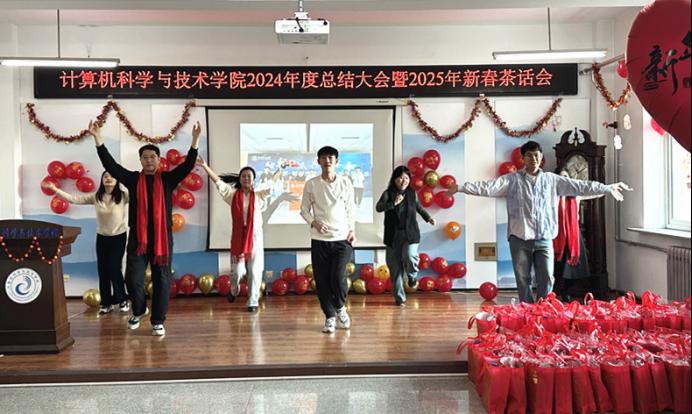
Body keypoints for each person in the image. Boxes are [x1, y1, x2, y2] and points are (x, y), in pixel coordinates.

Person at [446, 140, 631, 303]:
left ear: (541, 157)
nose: (533, 159)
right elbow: (487, 187)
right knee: (523, 280)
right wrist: (461, 187)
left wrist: (606, 188)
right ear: (522, 159)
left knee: (547, 278)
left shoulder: (552, 180)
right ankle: (527, 310)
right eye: (528, 155)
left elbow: (580, 186)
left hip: (544, 239)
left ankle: (542, 311)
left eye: (536, 155)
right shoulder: (512, 180)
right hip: (519, 239)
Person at [89, 120, 201, 336]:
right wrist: (98, 139)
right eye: (145, 157)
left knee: (162, 280)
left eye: (152, 157)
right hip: (138, 239)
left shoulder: (168, 179)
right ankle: (139, 310)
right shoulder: (133, 179)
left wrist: (195, 140)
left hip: (162, 239)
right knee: (132, 278)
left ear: (158, 160)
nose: (149, 160)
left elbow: (187, 166)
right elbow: (111, 166)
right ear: (140, 160)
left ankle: (158, 320)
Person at [43, 171, 130, 315]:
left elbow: (141, 196)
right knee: (103, 270)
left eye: (112, 176)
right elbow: (74, 199)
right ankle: (106, 303)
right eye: (105, 176)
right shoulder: (96, 197)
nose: (108, 178)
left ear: (117, 180)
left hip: (118, 237)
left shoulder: (124, 196)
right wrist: (55, 189)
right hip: (102, 237)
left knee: (114, 268)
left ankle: (122, 299)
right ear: (102, 180)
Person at [197, 157, 273, 312]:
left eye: (249, 176)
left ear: (253, 179)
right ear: (240, 178)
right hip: (238, 236)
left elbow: (272, 183)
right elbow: (218, 182)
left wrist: (281, 170)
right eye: (243, 176)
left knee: (255, 270)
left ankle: (252, 302)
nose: (246, 178)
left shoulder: (259, 196)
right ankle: (234, 289)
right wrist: (204, 166)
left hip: (255, 236)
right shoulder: (232, 195)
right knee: (237, 271)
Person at [300, 146, 356, 334]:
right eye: (323, 158)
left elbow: (351, 209)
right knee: (322, 281)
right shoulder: (311, 184)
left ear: (337, 161)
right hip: (319, 240)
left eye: (331, 157)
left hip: (342, 239)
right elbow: (304, 210)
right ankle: (330, 317)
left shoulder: (345, 182)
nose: (327, 161)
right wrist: (313, 222)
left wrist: (352, 229)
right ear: (318, 161)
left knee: (338, 277)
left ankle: (340, 307)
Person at [376, 166, 436, 307]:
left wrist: (428, 218)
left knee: (410, 256)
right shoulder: (388, 193)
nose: (404, 181)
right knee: (395, 269)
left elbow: (418, 207)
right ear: (395, 179)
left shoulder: (412, 193)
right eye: (401, 178)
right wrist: (393, 203)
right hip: (392, 236)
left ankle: (412, 276)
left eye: (406, 178)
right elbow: (379, 207)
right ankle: (400, 299)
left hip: (410, 233)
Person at [553, 168, 602, 301]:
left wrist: (608, 189)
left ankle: (566, 291)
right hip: (556, 234)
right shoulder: (552, 195)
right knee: (558, 266)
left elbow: (592, 193)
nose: (565, 180)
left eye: (566, 177)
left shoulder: (576, 194)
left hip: (573, 234)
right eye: (561, 177)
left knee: (577, 267)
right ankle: (555, 292)